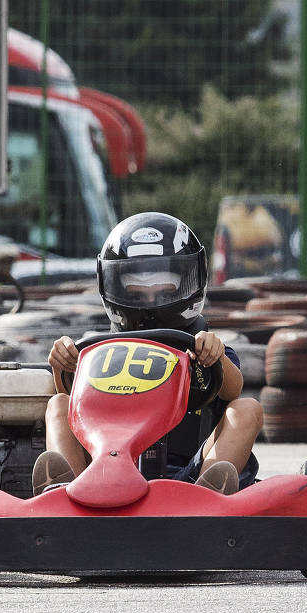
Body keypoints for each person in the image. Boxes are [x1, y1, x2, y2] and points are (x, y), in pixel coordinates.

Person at [33, 212, 262, 496]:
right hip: (102, 470)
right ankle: (64, 491)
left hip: (189, 474)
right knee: (58, 403)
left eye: (163, 291)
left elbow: (233, 390)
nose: (151, 303)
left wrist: (213, 357)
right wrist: (62, 364)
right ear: (113, 286)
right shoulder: (97, 349)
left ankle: (208, 494)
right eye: (138, 292)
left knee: (247, 408)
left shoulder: (201, 346)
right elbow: (75, 404)